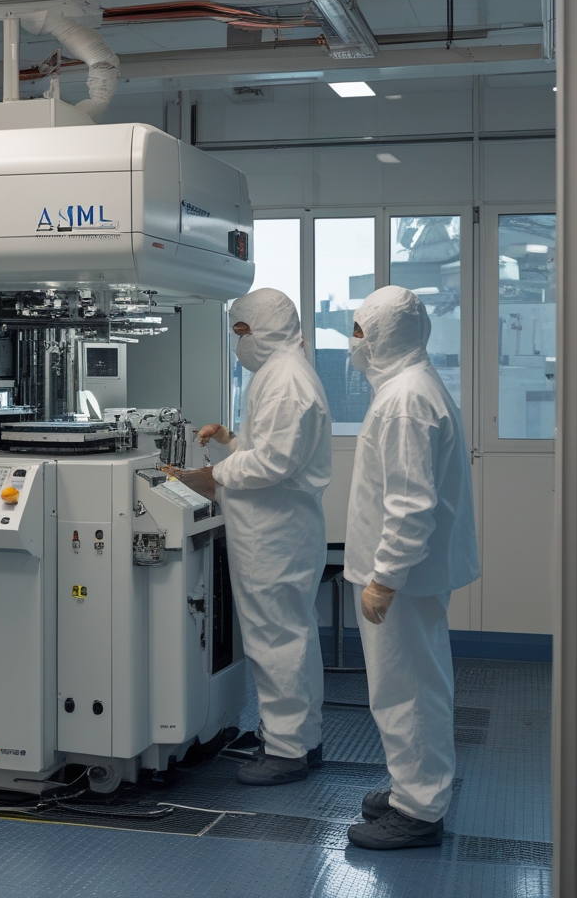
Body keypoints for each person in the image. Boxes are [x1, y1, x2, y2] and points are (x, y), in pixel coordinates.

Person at [174, 288, 332, 786]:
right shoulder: (283, 371)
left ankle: (287, 751)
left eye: (241, 333)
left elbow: (274, 463)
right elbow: (270, 449)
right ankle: (299, 737)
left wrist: (211, 476)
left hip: (274, 532)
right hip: (277, 527)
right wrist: (230, 441)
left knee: (276, 639)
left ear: (261, 330)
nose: (238, 344)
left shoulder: (285, 380)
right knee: (290, 635)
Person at [343, 285, 479, 850]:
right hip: (409, 575)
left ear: (380, 336)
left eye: (358, 331)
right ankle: (411, 786)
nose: (352, 342)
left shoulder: (403, 399)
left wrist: (384, 577)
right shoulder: (410, 386)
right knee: (410, 683)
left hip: (402, 578)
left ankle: (420, 809)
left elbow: (409, 501)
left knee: (408, 689)